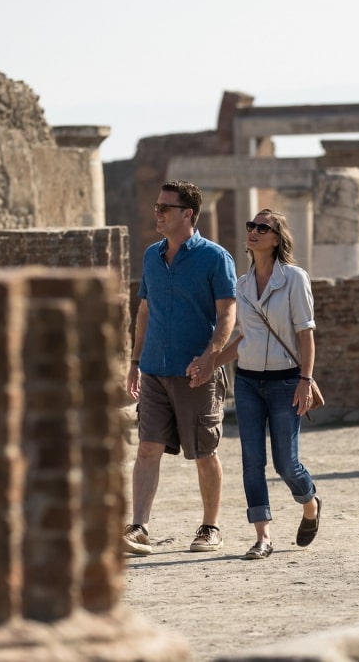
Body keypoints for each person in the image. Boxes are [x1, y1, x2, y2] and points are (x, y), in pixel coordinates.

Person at [192, 209, 321, 560]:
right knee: (252, 461)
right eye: (251, 226)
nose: (253, 231)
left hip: (286, 381)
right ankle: (263, 536)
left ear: (277, 239)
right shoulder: (242, 285)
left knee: (286, 464)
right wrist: (209, 362)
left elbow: (305, 334)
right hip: (248, 381)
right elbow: (243, 338)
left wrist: (305, 380)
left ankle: (310, 502)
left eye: (262, 228)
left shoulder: (295, 278)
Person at [123, 180, 237, 555]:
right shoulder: (151, 257)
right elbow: (144, 311)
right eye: (157, 207)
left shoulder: (215, 258)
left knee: (204, 453)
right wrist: (135, 362)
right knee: (146, 449)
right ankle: (139, 526)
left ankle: (211, 526)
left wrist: (209, 358)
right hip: (155, 367)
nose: (157, 214)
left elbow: (227, 315)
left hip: (196, 373)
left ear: (188, 214)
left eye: (164, 209)